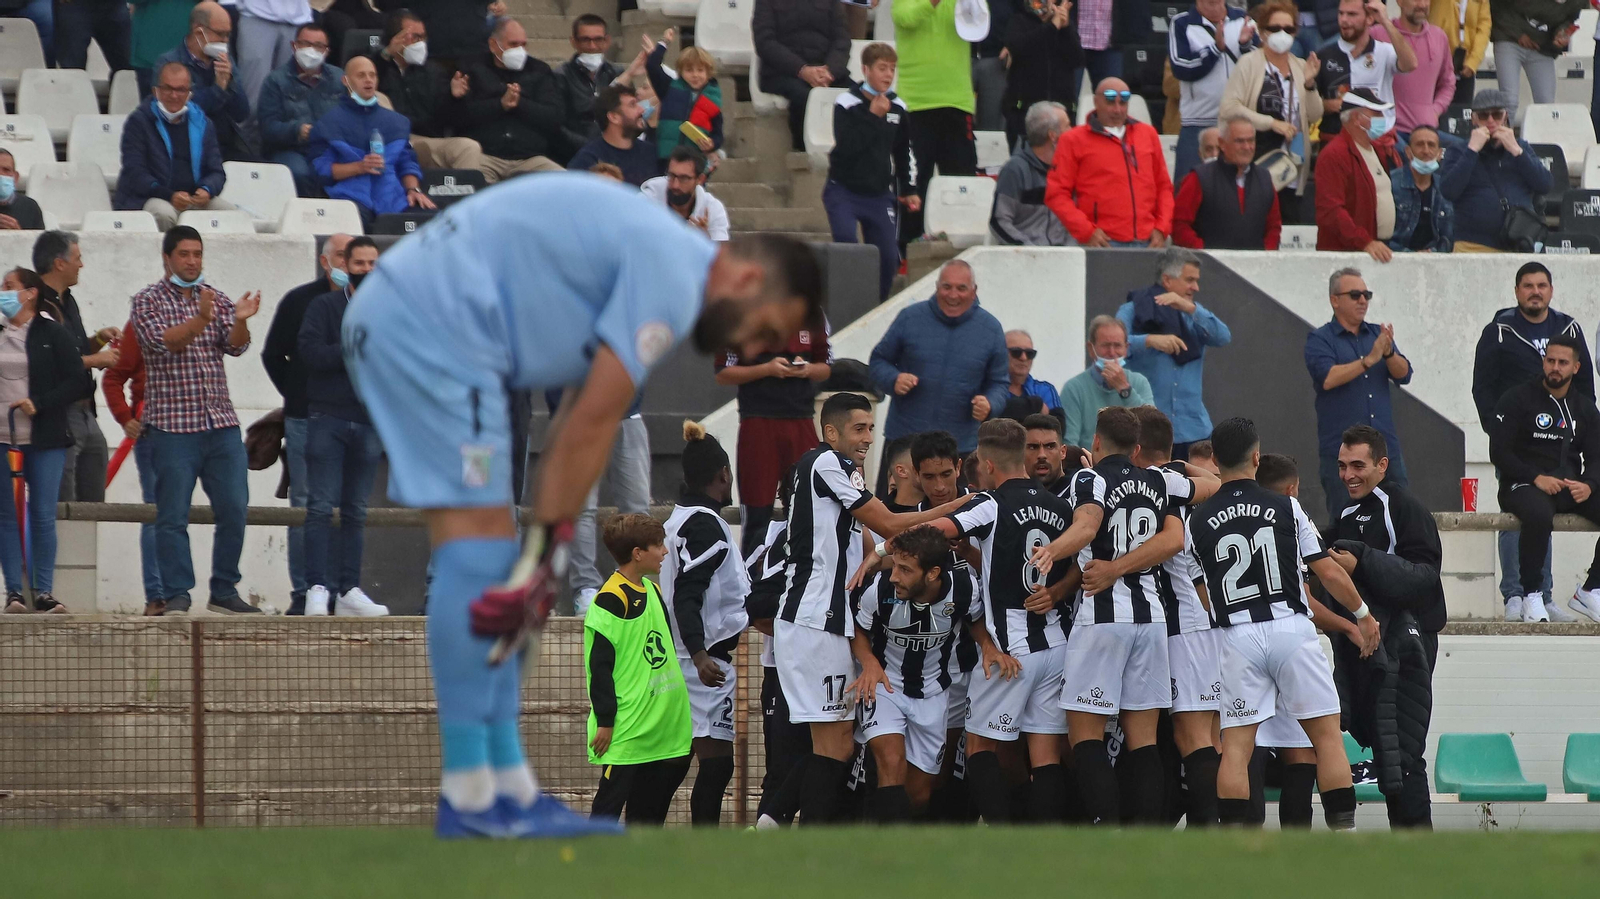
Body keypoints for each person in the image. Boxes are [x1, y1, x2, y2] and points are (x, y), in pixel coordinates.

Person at [340, 174, 825, 837]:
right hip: (436, 335)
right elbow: (590, 423)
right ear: (752, 280)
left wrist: (543, 554)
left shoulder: (657, 254)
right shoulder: (672, 277)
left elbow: (577, 412)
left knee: (487, 552)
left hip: (416, 325)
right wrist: (545, 556)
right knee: (481, 551)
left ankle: (500, 789)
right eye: (766, 326)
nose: (753, 343)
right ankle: (474, 797)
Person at [772, 392, 959, 825]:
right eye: (860, 428)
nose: (869, 438)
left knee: (835, 743)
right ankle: (800, 842)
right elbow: (890, 523)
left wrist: (875, 557)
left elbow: (872, 539)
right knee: (834, 745)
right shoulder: (830, 464)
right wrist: (952, 509)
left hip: (816, 619)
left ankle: (774, 823)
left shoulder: (820, 467)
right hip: (816, 619)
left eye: (872, 428)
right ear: (831, 431)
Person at [1186, 416, 1378, 830]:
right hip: (1289, 626)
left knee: (1235, 745)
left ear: (1215, 460)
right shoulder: (1286, 506)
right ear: (1257, 457)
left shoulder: (1195, 521)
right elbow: (1326, 571)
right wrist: (1361, 615)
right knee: (1326, 737)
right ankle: (1344, 835)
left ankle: (1236, 845)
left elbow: (1203, 593)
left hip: (1237, 634)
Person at [1027, 407, 1205, 825]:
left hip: (1103, 620)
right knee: (1142, 741)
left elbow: (1088, 525)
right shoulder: (1160, 478)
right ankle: (1141, 838)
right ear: (1139, 448)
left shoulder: (1089, 479)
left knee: (1084, 737)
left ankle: (1107, 830)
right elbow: (1213, 485)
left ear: (1096, 442)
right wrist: (1178, 464)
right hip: (1152, 619)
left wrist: (1055, 549)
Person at [921, 419, 1072, 823]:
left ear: (987, 464)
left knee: (979, 750)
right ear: (1023, 456)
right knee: (1045, 754)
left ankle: (1005, 841)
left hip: (1010, 650)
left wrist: (882, 546)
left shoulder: (990, 503)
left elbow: (935, 531)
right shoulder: (1059, 505)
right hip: (1054, 643)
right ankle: (1044, 843)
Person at [129, 227, 262, 617]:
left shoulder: (216, 298)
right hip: (172, 427)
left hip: (220, 423)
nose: (192, 261)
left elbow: (236, 346)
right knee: (172, 516)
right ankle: (177, 593)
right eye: (184, 254)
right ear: (166, 257)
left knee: (235, 508)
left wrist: (239, 319)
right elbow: (162, 342)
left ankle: (223, 589)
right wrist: (201, 320)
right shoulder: (147, 301)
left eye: (197, 254)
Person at [1329, 424, 1444, 828]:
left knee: (1404, 751)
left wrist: (1362, 560)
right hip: (1370, 643)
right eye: (1342, 466)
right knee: (1385, 748)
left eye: (1358, 465)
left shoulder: (1404, 506)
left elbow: (1425, 576)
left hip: (1409, 643)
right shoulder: (1345, 513)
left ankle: (1416, 849)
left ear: (1382, 465)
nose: (1348, 475)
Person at [1471, 262, 1589, 621]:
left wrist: (1579, 433)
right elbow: (1483, 387)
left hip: (1559, 447)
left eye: (1541, 285)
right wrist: (1499, 434)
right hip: (1517, 447)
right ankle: (1515, 595)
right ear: (1517, 290)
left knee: (1545, 513)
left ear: (1551, 290)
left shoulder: (1568, 328)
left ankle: (1544, 596)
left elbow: (1586, 393)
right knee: (1520, 514)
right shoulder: (1500, 331)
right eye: (1527, 285)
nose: (1535, 291)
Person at [1127, 405, 1226, 827]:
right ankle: (1224, 826)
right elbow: (1218, 483)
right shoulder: (1182, 485)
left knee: (1192, 737)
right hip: (1204, 622)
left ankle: (1211, 834)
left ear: (1135, 449)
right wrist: (1180, 462)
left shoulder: (1153, 484)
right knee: (1211, 736)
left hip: (1181, 625)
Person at [850, 525, 981, 821]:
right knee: (891, 764)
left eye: (905, 570)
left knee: (920, 792)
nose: (895, 575)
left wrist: (990, 647)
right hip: (886, 686)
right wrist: (869, 662)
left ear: (932, 573)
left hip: (933, 692)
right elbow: (857, 628)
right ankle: (885, 857)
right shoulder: (881, 589)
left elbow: (976, 619)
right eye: (894, 565)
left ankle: (897, 843)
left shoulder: (963, 588)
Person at [659, 422, 748, 826]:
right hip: (702, 663)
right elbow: (688, 592)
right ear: (724, 474)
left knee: (678, 762)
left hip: (682, 658)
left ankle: (646, 830)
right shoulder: (706, 524)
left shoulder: (678, 519)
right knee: (714, 767)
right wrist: (698, 653)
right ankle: (706, 848)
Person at [298, 237, 389, 618]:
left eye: (373, 263)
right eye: (360, 263)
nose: (366, 270)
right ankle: (316, 588)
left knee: (356, 509)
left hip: (368, 421)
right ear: (345, 266)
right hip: (328, 418)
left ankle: (348, 589)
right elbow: (309, 354)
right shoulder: (324, 306)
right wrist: (351, 346)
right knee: (320, 506)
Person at [584, 513, 693, 826]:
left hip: (663, 727)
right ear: (637, 554)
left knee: (648, 818)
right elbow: (599, 667)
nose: (665, 551)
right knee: (607, 810)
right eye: (658, 545)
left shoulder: (654, 592)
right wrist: (605, 721)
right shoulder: (609, 600)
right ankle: (588, 870)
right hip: (627, 729)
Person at [263, 233, 352, 616]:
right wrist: (298, 395)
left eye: (354, 257)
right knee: (304, 505)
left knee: (344, 506)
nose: (348, 264)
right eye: (342, 257)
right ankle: (303, 593)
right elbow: (272, 354)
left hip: (350, 417)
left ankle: (340, 592)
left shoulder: (366, 302)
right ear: (325, 260)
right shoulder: (300, 300)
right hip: (304, 418)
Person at [1492, 335, 1600, 625]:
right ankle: (1532, 594)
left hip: (1569, 487)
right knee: (1539, 514)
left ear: (1576, 368)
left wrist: (1589, 483)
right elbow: (1499, 452)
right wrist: (1535, 477)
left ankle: (1591, 589)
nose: (1555, 367)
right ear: (1543, 361)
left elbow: (1597, 456)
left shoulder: (1584, 407)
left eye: (1562, 362)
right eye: (1550, 360)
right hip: (1522, 484)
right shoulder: (1517, 398)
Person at [0, 269, 89, 614]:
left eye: (9, 287)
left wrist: (40, 402)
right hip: (4, 440)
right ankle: (13, 592)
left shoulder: (53, 332)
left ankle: (43, 591)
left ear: (30, 293)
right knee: (7, 516)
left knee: (41, 515)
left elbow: (78, 381)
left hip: (45, 439)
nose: (3, 292)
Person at [714, 312, 831, 559]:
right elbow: (723, 372)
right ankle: (752, 582)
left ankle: (802, 571)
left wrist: (806, 369)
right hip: (758, 421)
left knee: (808, 507)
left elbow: (826, 367)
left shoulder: (812, 312)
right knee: (757, 513)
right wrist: (766, 369)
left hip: (801, 420)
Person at [1304, 267, 1413, 523]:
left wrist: (1386, 354)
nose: (1363, 300)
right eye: (1355, 294)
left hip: (1384, 451)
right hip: (1343, 454)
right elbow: (1328, 378)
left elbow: (1404, 373)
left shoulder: (1377, 335)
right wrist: (1369, 360)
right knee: (1346, 522)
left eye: (1366, 294)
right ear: (1335, 300)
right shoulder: (1320, 339)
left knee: (1401, 517)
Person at [868, 260, 1009, 456]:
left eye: (961, 288)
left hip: (959, 448)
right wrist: (894, 379)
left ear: (974, 291)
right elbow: (878, 361)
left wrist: (990, 404)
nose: (953, 295)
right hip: (904, 442)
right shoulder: (909, 317)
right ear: (936, 288)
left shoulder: (991, 329)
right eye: (947, 287)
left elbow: (1000, 383)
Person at [31, 231, 120, 504]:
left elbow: (75, 352)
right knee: (61, 502)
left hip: (85, 412)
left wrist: (100, 339)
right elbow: (47, 362)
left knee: (93, 501)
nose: (81, 265)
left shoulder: (68, 301)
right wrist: (97, 360)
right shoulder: (35, 305)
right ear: (60, 263)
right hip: (60, 415)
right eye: (77, 258)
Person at [1116, 248, 1231, 459]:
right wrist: (1149, 340)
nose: (1195, 287)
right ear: (1167, 280)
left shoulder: (1192, 314)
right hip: (1147, 431)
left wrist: (1191, 309)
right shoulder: (1132, 310)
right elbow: (1114, 348)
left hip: (1194, 428)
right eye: (1190, 280)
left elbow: (1223, 337)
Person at [823, 42, 916, 302]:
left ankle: (874, 307)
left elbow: (903, 151)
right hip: (843, 190)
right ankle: (845, 303)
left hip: (878, 195)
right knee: (846, 244)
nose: (888, 75)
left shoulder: (898, 107)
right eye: (882, 68)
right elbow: (847, 147)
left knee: (888, 257)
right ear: (865, 69)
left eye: (892, 69)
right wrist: (873, 116)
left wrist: (909, 189)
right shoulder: (847, 102)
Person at [1218, 0, 1321, 220]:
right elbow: (1229, 108)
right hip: (1255, 158)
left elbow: (1315, 115)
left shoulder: (1301, 66)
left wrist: (1310, 85)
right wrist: (1271, 123)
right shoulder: (1249, 63)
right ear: (1262, 32)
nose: (1282, 33)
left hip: (1291, 166)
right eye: (1275, 28)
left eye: (1289, 29)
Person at [1044, 78, 1174, 248]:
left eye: (1123, 102)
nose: (1118, 109)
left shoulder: (1147, 134)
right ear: (1095, 102)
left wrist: (1162, 228)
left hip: (1148, 241)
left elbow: (1164, 187)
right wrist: (1086, 231)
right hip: (1103, 243)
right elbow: (1056, 194)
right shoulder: (1073, 140)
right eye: (1110, 102)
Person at [309, 55, 434, 225]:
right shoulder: (329, 122)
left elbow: (407, 162)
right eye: (361, 75)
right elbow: (321, 170)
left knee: (433, 219)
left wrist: (413, 189)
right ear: (345, 80)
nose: (368, 80)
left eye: (372, 75)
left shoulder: (397, 122)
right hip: (350, 197)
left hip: (394, 198)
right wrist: (359, 167)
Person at [893, 0, 979, 241]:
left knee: (961, 180)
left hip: (957, 103)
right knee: (915, 182)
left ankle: (961, 243)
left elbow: (980, 22)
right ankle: (908, 248)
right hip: (915, 104)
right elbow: (906, 18)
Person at [115, 62, 237, 232]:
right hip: (150, 197)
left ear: (189, 93)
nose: (174, 95)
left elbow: (216, 171)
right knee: (164, 214)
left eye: (180, 90)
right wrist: (169, 195)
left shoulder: (203, 123)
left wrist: (206, 189)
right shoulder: (139, 122)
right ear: (156, 91)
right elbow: (135, 173)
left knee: (232, 215)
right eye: (167, 88)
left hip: (193, 198)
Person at [1436, 88, 1552, 253]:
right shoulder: (1459, 150)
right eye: (1484, 115)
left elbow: (1544, 184)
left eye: (1496, 115)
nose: (1490, 121)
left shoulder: (1521, 147)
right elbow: (1449, 191)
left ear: (1505, 116)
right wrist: (1472, 151)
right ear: (1474, 118)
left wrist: (1516, 151)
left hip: (1517, 243)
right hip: (1472, 245)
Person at [453, 18, 566, 182]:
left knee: (566, 184)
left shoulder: (539, 70)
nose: (520, 50)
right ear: (493, 45)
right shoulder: (472, 68)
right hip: (485, 157)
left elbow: (554, 117)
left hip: (529, 159)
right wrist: (500, 105)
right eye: (513, 44)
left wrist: (520, 103)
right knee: (471, 186)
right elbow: (459, 117)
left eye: (523, 44)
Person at [374, 11, 487, 173]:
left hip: (425, 139)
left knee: (468, 147)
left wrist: (453, 97)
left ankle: (464, 197)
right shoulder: (377, 65)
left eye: (423, 37)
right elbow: (363, 82)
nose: (420, 43)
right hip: (389, 141)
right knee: (379, 98)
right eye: (414, 37)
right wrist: (385, 55)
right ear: (395, 38)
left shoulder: (433, 71)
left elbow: (445, 118)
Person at [1169, 0, 1259, 186]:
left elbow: (1259, 64)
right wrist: (1215, 49)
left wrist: (1244, 45)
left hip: (1237, 122)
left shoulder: (1243, 19)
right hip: (1196, 122)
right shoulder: (1181, 23)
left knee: (1238, 191)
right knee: (1186, 188)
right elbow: (1181, 68)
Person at [153, 3, 252, 161]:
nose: (225, 41)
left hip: (224, 147)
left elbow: (241, 113)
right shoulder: (169, 63)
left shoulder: (226, 61)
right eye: (220, 34)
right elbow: (181, 111)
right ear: (199, 31)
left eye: (228, 35)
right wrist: (219, 89)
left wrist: (230, 81)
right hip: (185, 149)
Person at [256, 23, 345, 197]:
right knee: (300, 173)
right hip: (289, 149)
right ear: (294, 46)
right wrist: (297, 130)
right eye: (305, 44)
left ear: (326, 51)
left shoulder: (338, 78)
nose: (311, 50)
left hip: (329, 148)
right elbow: (267, 127)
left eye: (318, 46)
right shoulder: (275, 81)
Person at [1313, 87, 1401, 260]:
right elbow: (1331, 211)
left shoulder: (1377, 150)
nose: (1382, 120)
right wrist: (1364, 241)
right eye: (1376, 114)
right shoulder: (1334, 154)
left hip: (1376, 250)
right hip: (1350, 254)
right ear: (1356, 118)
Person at [1171, 116, 1283, 250]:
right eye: (1239, 141)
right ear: (1222, 144)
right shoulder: (1199, 178)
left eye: (1251, 140)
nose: (1247, 147)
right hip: (1209, 268)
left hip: (1255, 267)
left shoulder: (1265, 178)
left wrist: (1265, 255)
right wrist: (1204, 253)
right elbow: (1179, 225)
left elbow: (1274, 227)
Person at [751, 0, 850, 151]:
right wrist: (802, 70)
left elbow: (842, 39)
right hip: (783, 72)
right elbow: (765, 42)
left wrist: (830, 71)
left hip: (827, 72)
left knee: (858, 96)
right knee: (806, 97)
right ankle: (804, 153)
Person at [1313, 0, 1417, 142]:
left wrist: (1385, 21)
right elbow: (1308, 106)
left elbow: (1411, 64)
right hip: (1336, 140)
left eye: (1351, 14)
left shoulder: (1383, 51)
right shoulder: (1324, 55)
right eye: (1341, 13)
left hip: (1378, 138)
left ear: (1369, 19)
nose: (1344, 20)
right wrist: (1327, 105)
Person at [1059, 315, 1155, 450]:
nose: (1112, 353)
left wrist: (1125, 390)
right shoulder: (1074, 388)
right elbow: (1069, 441)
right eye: (1105, 346)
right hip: (1090, 464)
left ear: (1126, 348)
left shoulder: (1140, 382)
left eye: (1117, 346)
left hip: (1133, 465)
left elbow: (1152, 431)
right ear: (1091, 349)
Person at [999, 0, 1082, 150]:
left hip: (1061, 116)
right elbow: (1021, 49)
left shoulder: (1065, 26)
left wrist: (1066, 29)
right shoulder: (1019, 21)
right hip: (1024, 117)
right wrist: (1051, 27)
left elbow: (1077, 59)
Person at [990, 101, 1072, 247]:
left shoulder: (1071, 170)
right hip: (1023, 259)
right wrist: (1029, 251)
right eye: (1067, 126)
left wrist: (1070, 252)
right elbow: (999, 221)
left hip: (1065, 258)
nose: (1072, 132)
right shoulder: (1014, 170)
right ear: (1053, 136)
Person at [1489, 0, 1581, 123]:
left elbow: (1568, 19)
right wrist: (1518, 34)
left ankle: (1544, 140)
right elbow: (1496, 8)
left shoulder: (1577, 2)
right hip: (1509, 39)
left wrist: (1561, 34)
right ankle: (1503, 139)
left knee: (1546, 102)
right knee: (1509, 100)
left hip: (1541, 47)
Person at [1374, 0, 1455, 138]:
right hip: (1390, 131)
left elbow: (1448, 83)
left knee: (1465, 149)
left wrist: (1435, 110)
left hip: (1427, 131)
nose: (1422, 5)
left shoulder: (1439, 37)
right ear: (1399, 2)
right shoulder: (1377, 34)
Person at [644, 30, 724, 168]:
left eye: (700, 70)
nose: (695, 75)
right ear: (680, 72)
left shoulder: (714, 99)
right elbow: (652, 65)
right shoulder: (669, 88)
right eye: (689, 70)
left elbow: (718, 133)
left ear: (708, 72)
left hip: (695, 161)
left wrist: (712, 144)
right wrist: (664, 42)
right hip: (666, 157)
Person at [555, 14, 630, 158]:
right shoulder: (561, 76)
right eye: (585, 40)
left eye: (598, 39)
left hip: (615, 148)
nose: (592, 46)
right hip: (573, 151)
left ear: (607, 41)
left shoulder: (617, 73)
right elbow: (557, 124)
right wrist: (587, 146)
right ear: (574, 42)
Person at [567, 85, 658, 188]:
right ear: (614, 117)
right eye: (633, 105)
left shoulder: (651, 153)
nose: (641, 109)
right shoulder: (588, 160)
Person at [233, 0, 312, 109]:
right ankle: (245, 126)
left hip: (297, 18)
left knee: (290, 96)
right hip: (256, 13)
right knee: (251, 97)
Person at [641, 148, 730, 242]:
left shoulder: (712, 208)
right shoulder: (647, 200)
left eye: (684, 178)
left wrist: (705, 240)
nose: (675, 185)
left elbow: (722, 251)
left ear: (700, 179)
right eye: (672, 176)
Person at [1432, 0, 1490, 105]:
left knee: (1462, 113)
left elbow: (1484, 29)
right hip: (1436, 63)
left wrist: (1473, 62)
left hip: (1464, 64)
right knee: (1435, 111)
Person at [1003, 329, 1061, 418]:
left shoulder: (1045, 390)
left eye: (1030, 353)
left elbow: (1059, 427)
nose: (1023, 358)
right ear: (1001, 353)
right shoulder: (989, 388)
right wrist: (1037, 405)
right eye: (1016, 352)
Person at [0, 151, 46, 231]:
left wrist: (19, 235)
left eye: (6, 170)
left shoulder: (30, 207)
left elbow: (39, 242)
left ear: (16, 177)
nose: (1, 174)